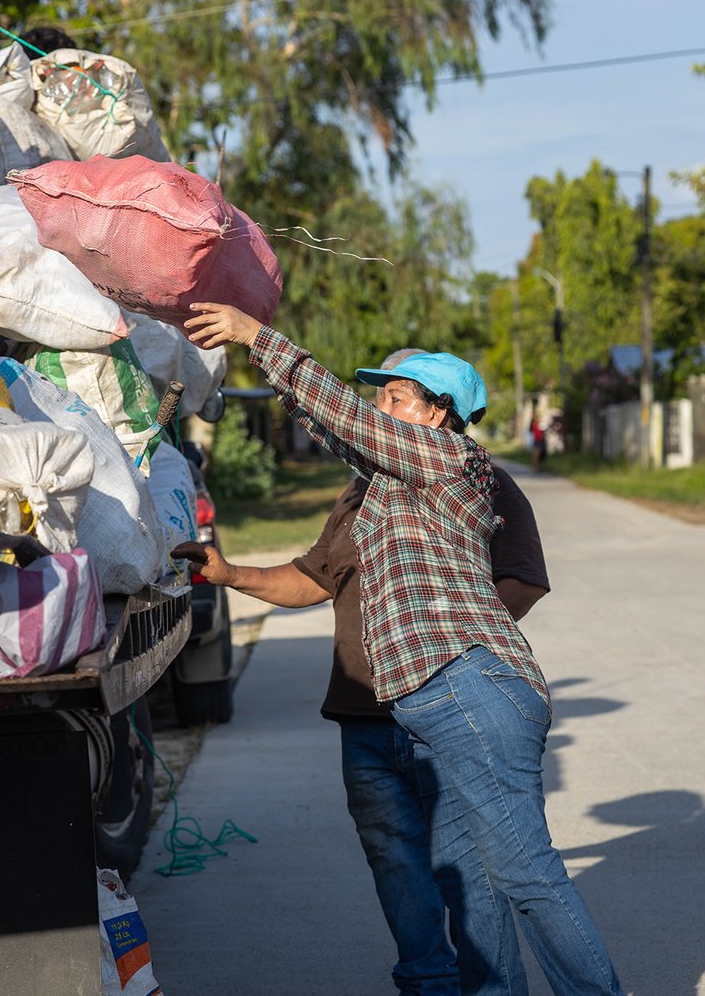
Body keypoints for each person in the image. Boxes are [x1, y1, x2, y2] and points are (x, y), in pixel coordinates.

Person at [184, 302, 624, 995]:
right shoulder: (386, 485)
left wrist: (258, 337)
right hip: (430, 702)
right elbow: (331, 425)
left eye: (394, 396)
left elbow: (343, 415)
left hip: (470, 684)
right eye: (378, 398)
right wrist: (231, 572)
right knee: (465, 882)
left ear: (439, 413)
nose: (378, 408)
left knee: (524, 876)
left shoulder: (452, 461)